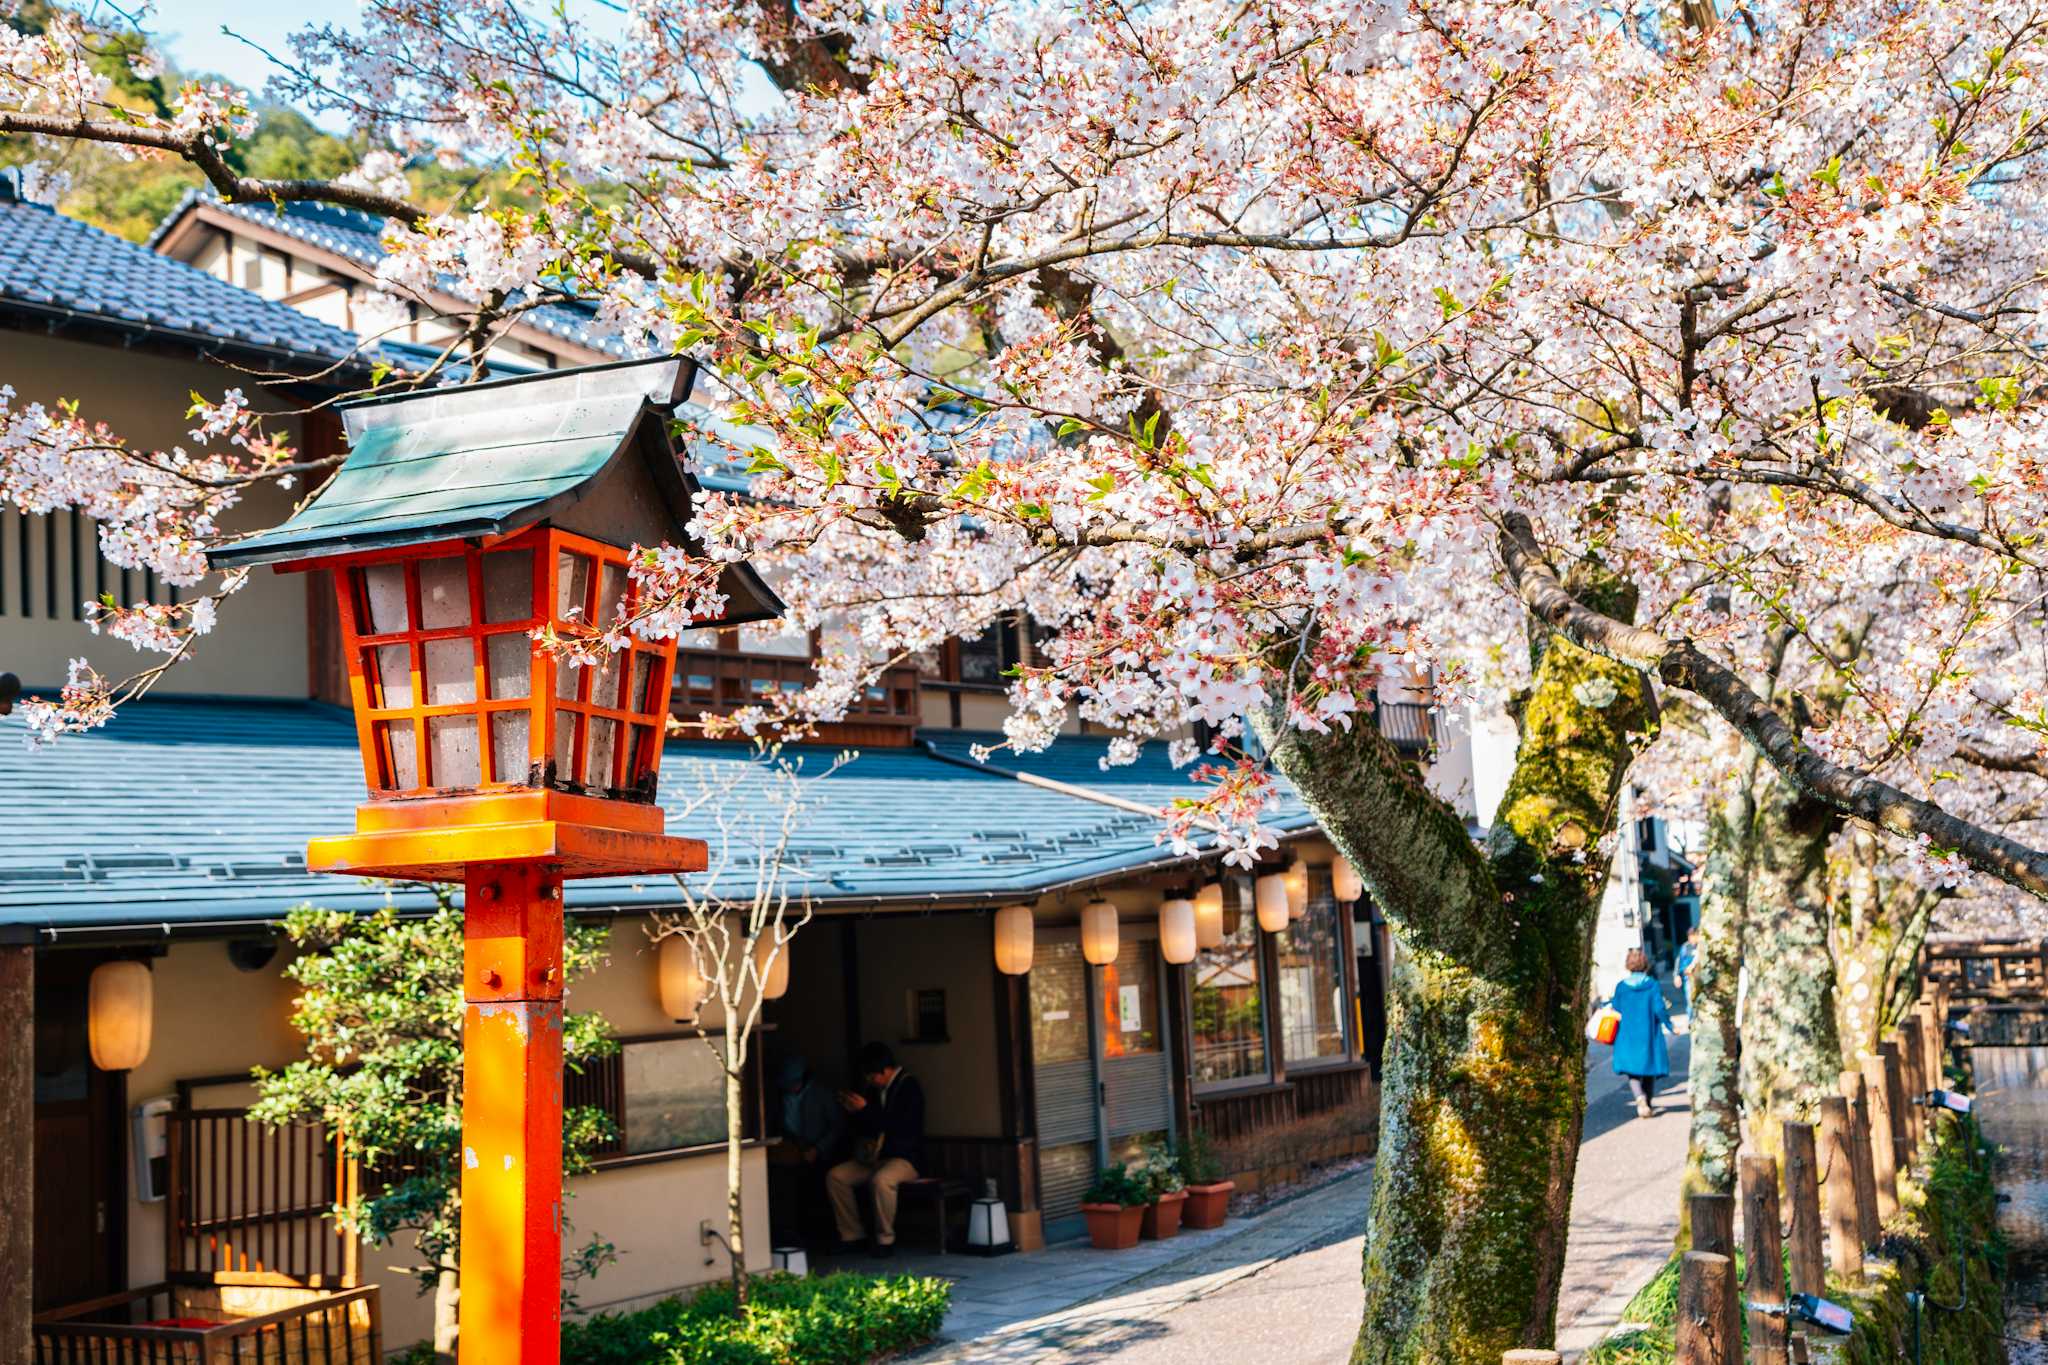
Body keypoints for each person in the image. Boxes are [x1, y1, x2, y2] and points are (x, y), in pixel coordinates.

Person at [827, 1041, 926, 1256]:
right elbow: (869, 1124)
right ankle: (852, 1235)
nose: (870, 1081)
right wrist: (854, 1111)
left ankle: (885, 1239)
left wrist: (865, 1110)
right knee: (836, 1176)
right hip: (875, 1157)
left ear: (886, 1070)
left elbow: (898, 1126)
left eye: (872, 1076)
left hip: (905, 1158)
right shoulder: (873, 1091)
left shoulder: (909, 1087)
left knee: (882, 1180)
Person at [1611, 947, 1677, 1119]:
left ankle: (1639, 1098)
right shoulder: (1652, 985)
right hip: (1649, 1033)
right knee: (1649, 1069)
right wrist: (1670, 1026)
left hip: (1628, 1033)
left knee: (1631, 1071)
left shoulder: (1621, 987)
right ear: (1645, 964)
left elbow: (1616, 1008)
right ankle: (1647, 1102)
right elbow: (1659, 1008)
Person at [1675, 928, 1700, 1012]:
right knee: (1690, 1001)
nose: (1691, 938)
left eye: (1693, 935)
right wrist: (1677, 975)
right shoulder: (1685, 947)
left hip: (1699, 977)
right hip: (1688, 978)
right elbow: (1679, 962)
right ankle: (1690, 1021)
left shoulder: (1701, 946)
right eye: (1689, 936)